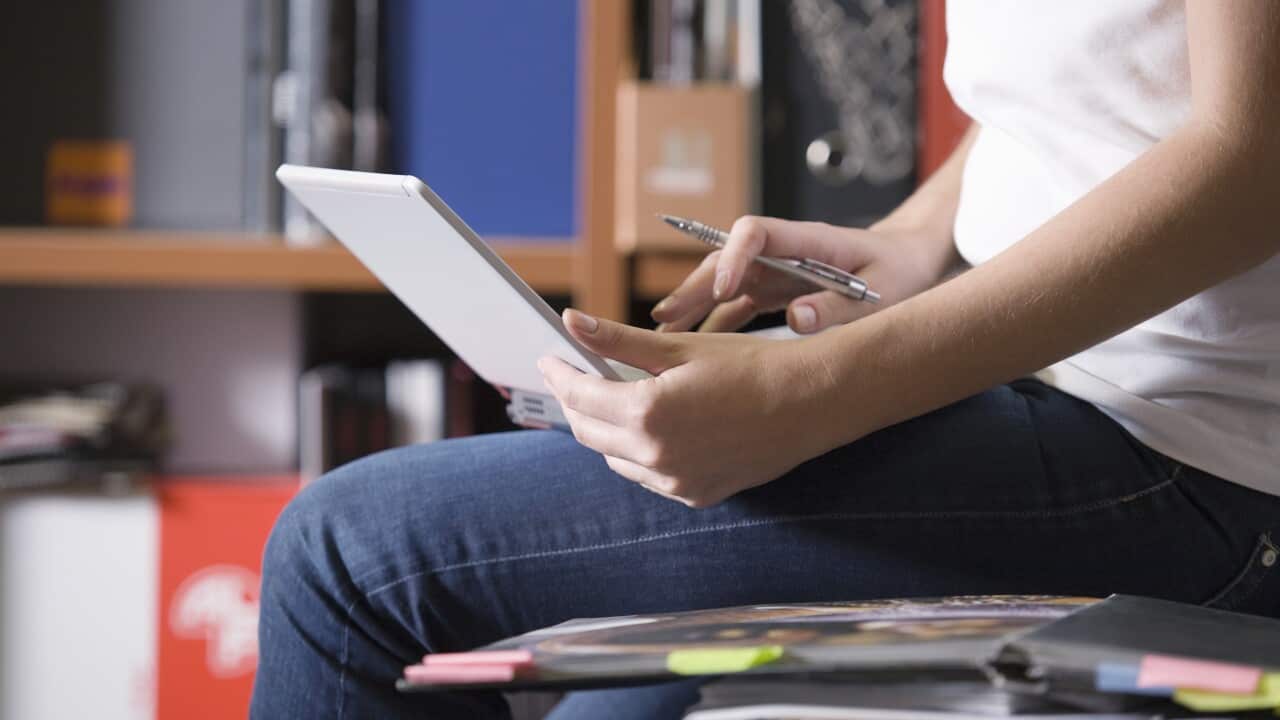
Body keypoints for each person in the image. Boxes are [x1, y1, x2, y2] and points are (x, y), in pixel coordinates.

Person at [250, 2, 1280, 718]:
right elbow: (1099, 74)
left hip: (1190, 456)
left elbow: (1251, 162)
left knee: (349, 558)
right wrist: (916, 242)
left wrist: (819, 393)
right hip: (1045, 374)